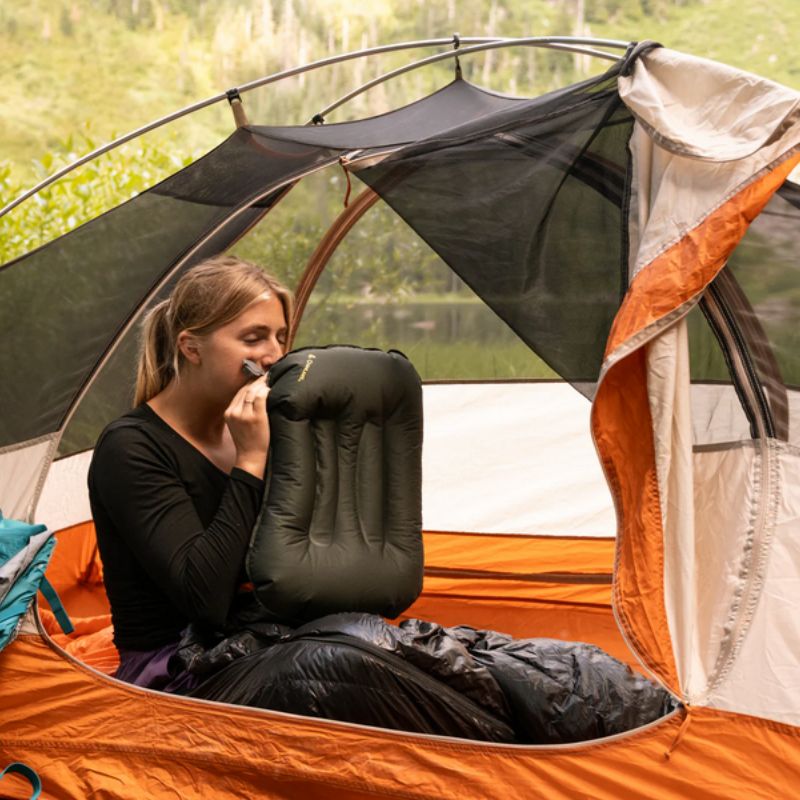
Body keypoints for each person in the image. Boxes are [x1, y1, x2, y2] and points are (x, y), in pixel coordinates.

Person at [88, 254, 292, 693]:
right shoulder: (131, 448)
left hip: (261, 642)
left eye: (280, 337)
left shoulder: (260, 428)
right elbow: (205, 600)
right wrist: (251, 462)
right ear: (191, 347)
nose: (274, 355)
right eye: (254, 338)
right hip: (175, 667)